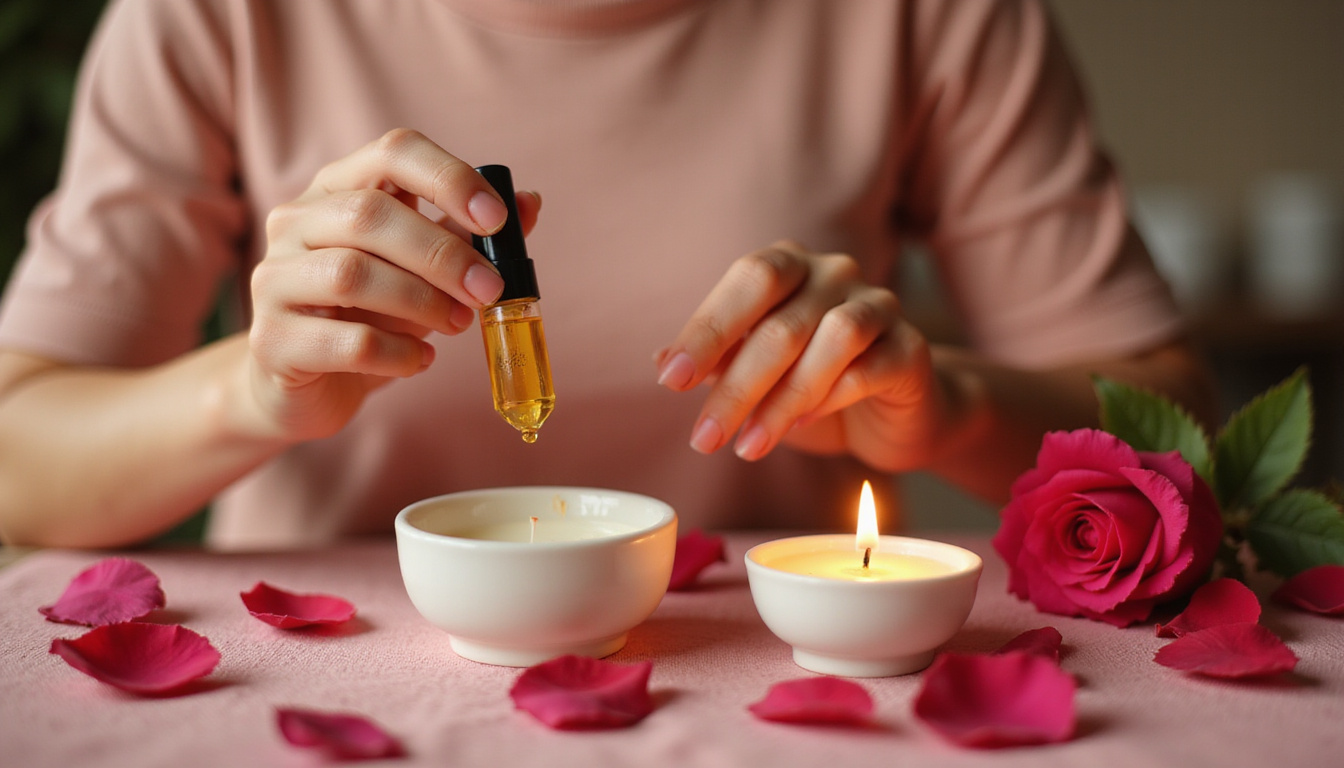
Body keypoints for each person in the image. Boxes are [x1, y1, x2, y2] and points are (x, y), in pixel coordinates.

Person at [0, 0, 1215, 550]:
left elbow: (1186, 437)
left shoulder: (933, 16)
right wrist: (252, 394)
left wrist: (936, 407)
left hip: (759, 691)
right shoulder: (210, 16)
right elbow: (17, 459)